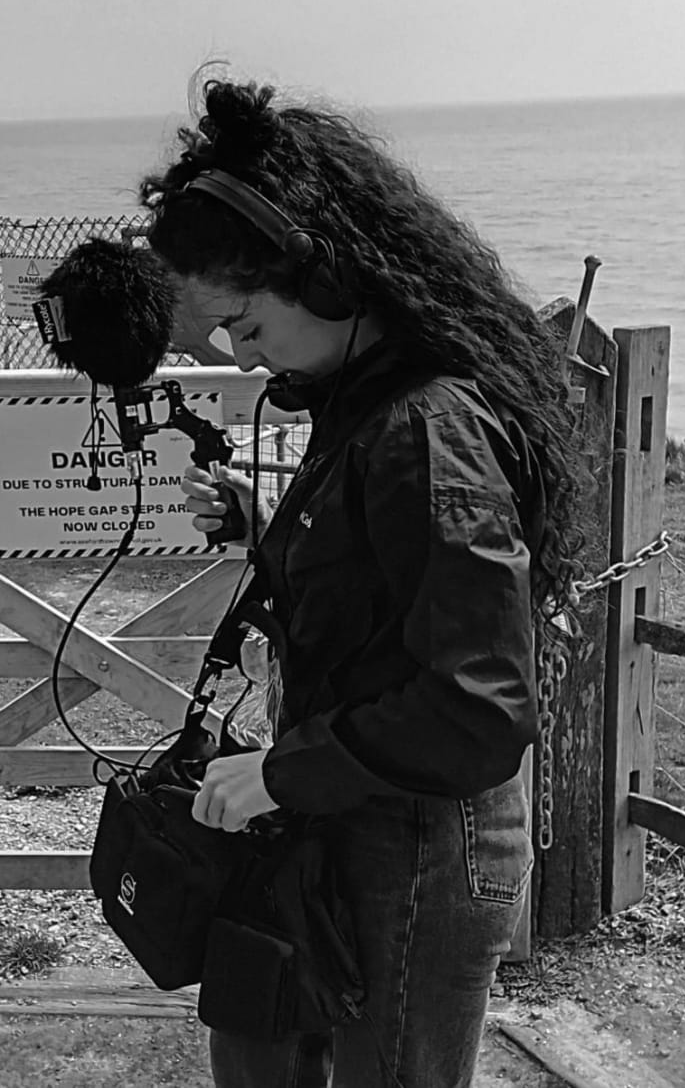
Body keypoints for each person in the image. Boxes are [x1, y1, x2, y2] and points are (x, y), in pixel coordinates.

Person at [139, 74, 582, 1088]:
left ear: (331, 274)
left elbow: (482, 701)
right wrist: (273, 532)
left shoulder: (428, 428)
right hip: (373, 813)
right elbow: (389, 590)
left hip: (422, 835)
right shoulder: (371, 405)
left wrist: (283, 774)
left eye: (247, 324)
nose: (244, 358)